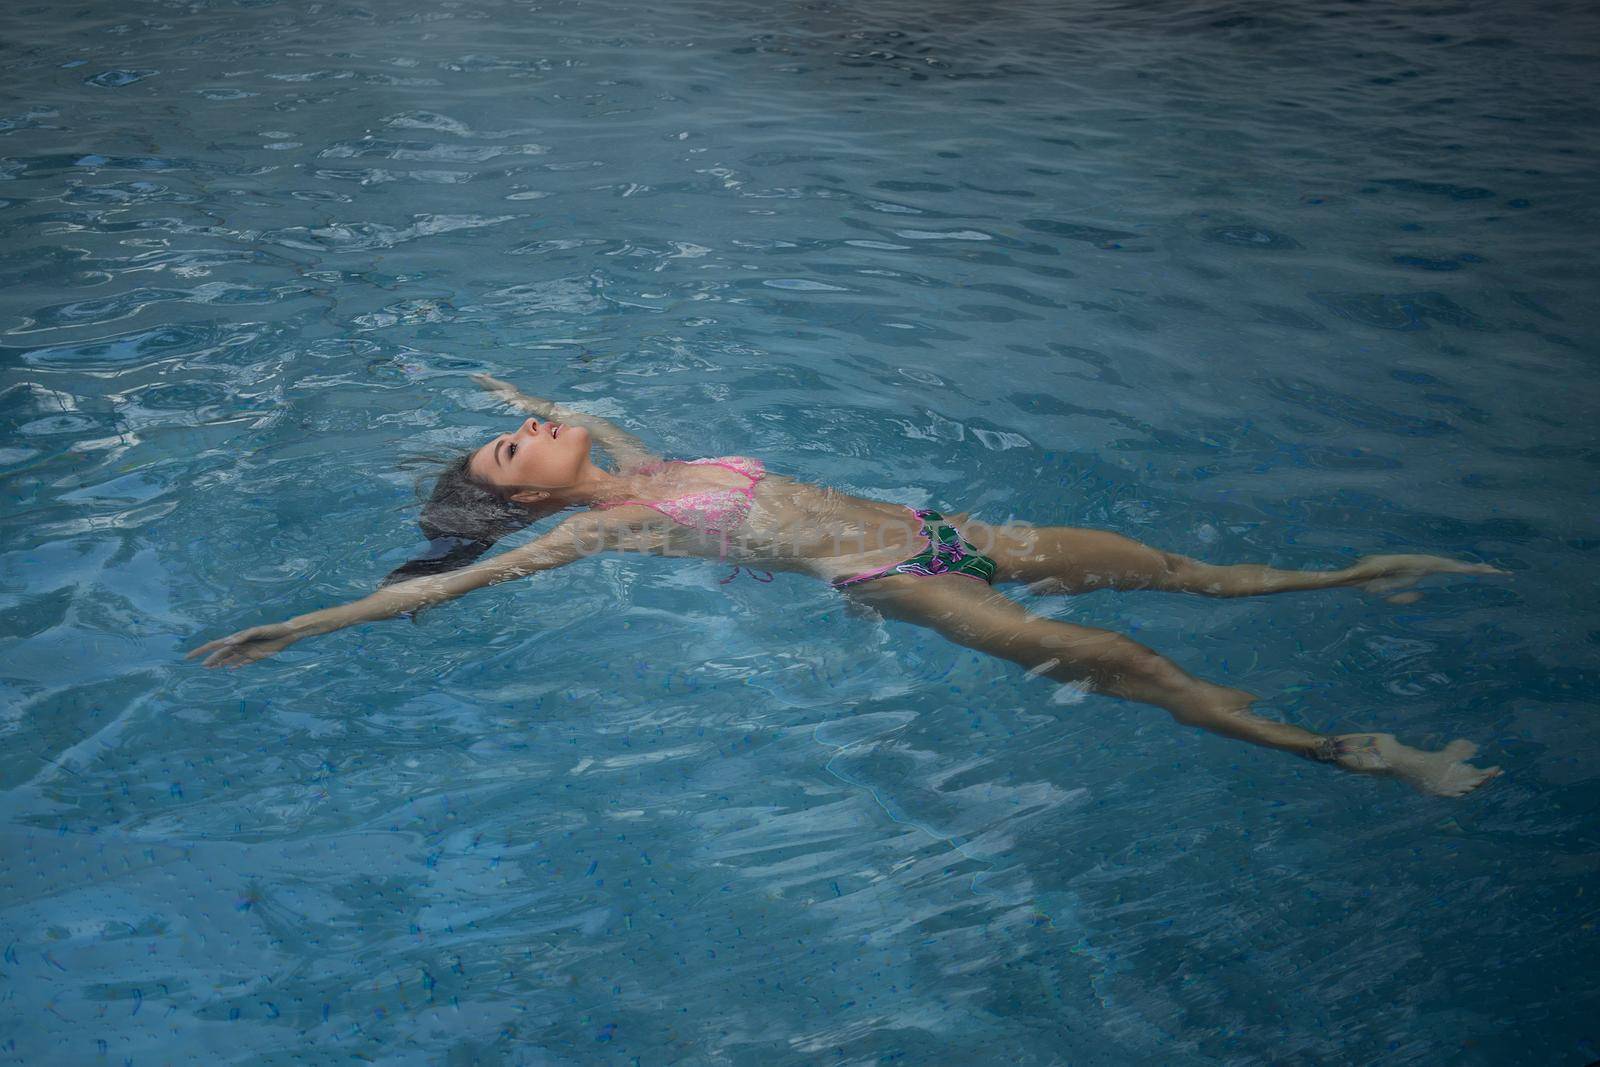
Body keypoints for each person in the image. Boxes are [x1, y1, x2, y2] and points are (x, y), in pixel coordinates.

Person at [188, 374, 1508, 797]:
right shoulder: (602, 533)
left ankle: (1353, 577)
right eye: (513, 450)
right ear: (525, 499)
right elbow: (433, 594)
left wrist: (508, 401)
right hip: (898, 576)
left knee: (1188, 575)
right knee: (1135, 668)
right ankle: (1353, 754)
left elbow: (574, 400)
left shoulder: (637, 462)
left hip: (948, 525)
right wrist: (299, 625)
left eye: (519, 431)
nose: (531, 430)